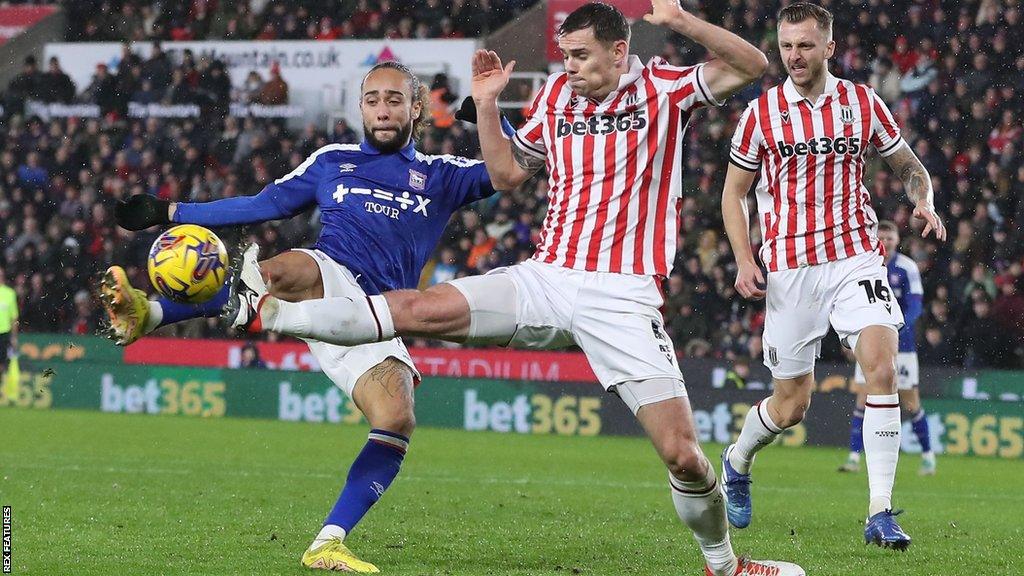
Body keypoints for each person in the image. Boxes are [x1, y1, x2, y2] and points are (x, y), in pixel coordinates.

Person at [226, 3, 802, 575]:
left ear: (619, 51)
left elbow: (752, 63)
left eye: (580, 55)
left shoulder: (665, 89)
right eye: (565, 55)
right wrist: (486, 102)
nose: (569, 66)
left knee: (685, 457)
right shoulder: (555, 98)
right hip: (548, 275)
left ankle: (724, 566)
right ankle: (270, 316)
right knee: (418, 309)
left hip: (624, 294)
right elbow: (504, 175)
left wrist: (676, 20)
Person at [101, 60, 501, 573]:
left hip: (379, 315)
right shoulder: (333, 161)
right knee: (289, 267)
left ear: (416, 108)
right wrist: (172, 212)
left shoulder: (444, 176)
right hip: (328, 273)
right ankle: (153, 310)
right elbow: (262, 205)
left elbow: (512, 165)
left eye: (394, 99)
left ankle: (327, 543)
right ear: (361, 107)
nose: (382, 108)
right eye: (373, 99)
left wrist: (488, 112)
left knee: (397, 416)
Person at [720, 2, 946, 551]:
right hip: (790, 267)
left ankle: (881, 511)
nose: (794, 56)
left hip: (856, 256)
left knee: (883, 369)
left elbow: (909, 167)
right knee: (792, 406)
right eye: (786, 46)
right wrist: (745, 258)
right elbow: (733, 193)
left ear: (828, 46)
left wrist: (924, 202)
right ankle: (737, 459)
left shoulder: (861, 102)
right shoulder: (761, 113)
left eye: (804, 45)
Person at [840, 221, 935, 476]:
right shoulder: (864, 265)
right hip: (870, 345)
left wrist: (894, 329)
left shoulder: (907, 267)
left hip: (901, 347)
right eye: (881, 236)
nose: (886, 240)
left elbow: (915, 307)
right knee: (863, 398)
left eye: (890, 236)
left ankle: (928, 455)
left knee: (910, 402)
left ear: (897, 240)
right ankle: (853, 457)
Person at [0, 267, 18, 393]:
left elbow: (14, 317)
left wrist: (14, 337)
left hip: (4, 332)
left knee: (2, 363)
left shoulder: (10, 293)